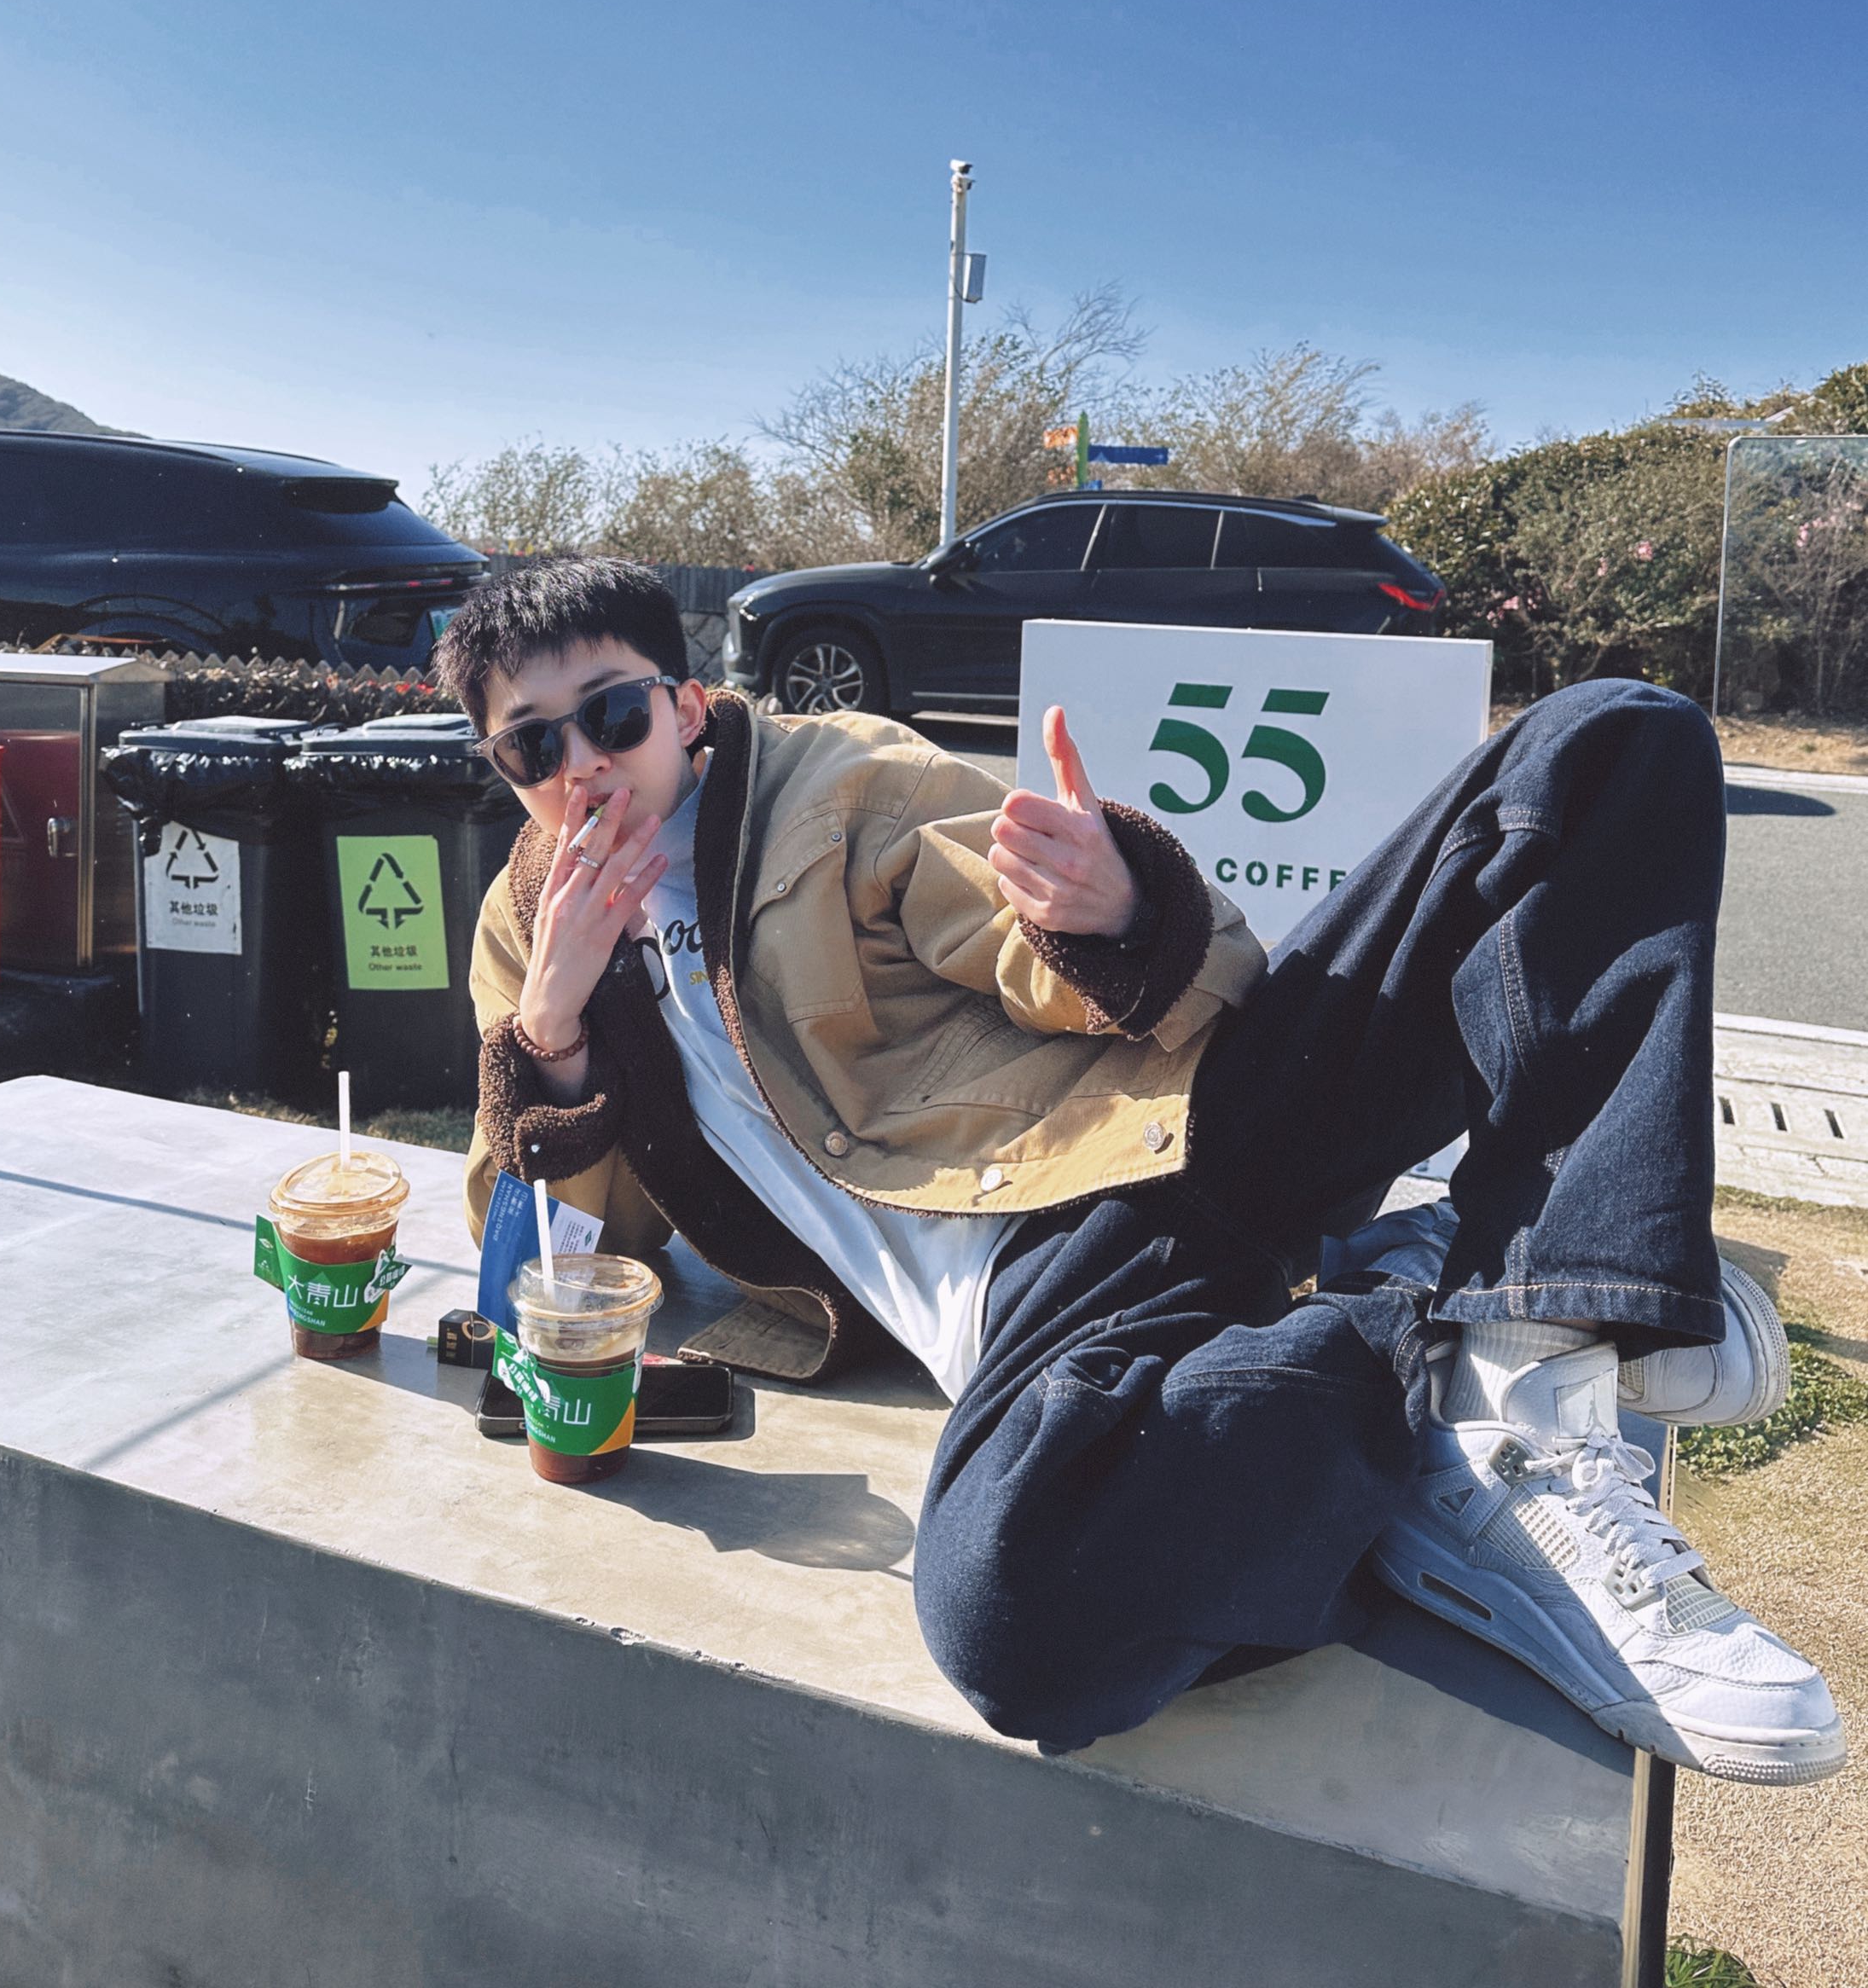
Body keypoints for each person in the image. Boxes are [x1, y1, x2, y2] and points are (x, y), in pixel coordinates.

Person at [438, 557, 1846, 1787]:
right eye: (530, 746)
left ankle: (1538, 1351)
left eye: (611, 714)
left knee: (1610, 739)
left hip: (1172, 1133)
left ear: (685, 706)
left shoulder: (837, 782)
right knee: (1017, 1625)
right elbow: (557, 1257)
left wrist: (1106, 911)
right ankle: (1429, 1333)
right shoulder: (524, 929)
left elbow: (1021, 942)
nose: (580, 767)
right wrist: (553, 1032)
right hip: (1053, 1296)